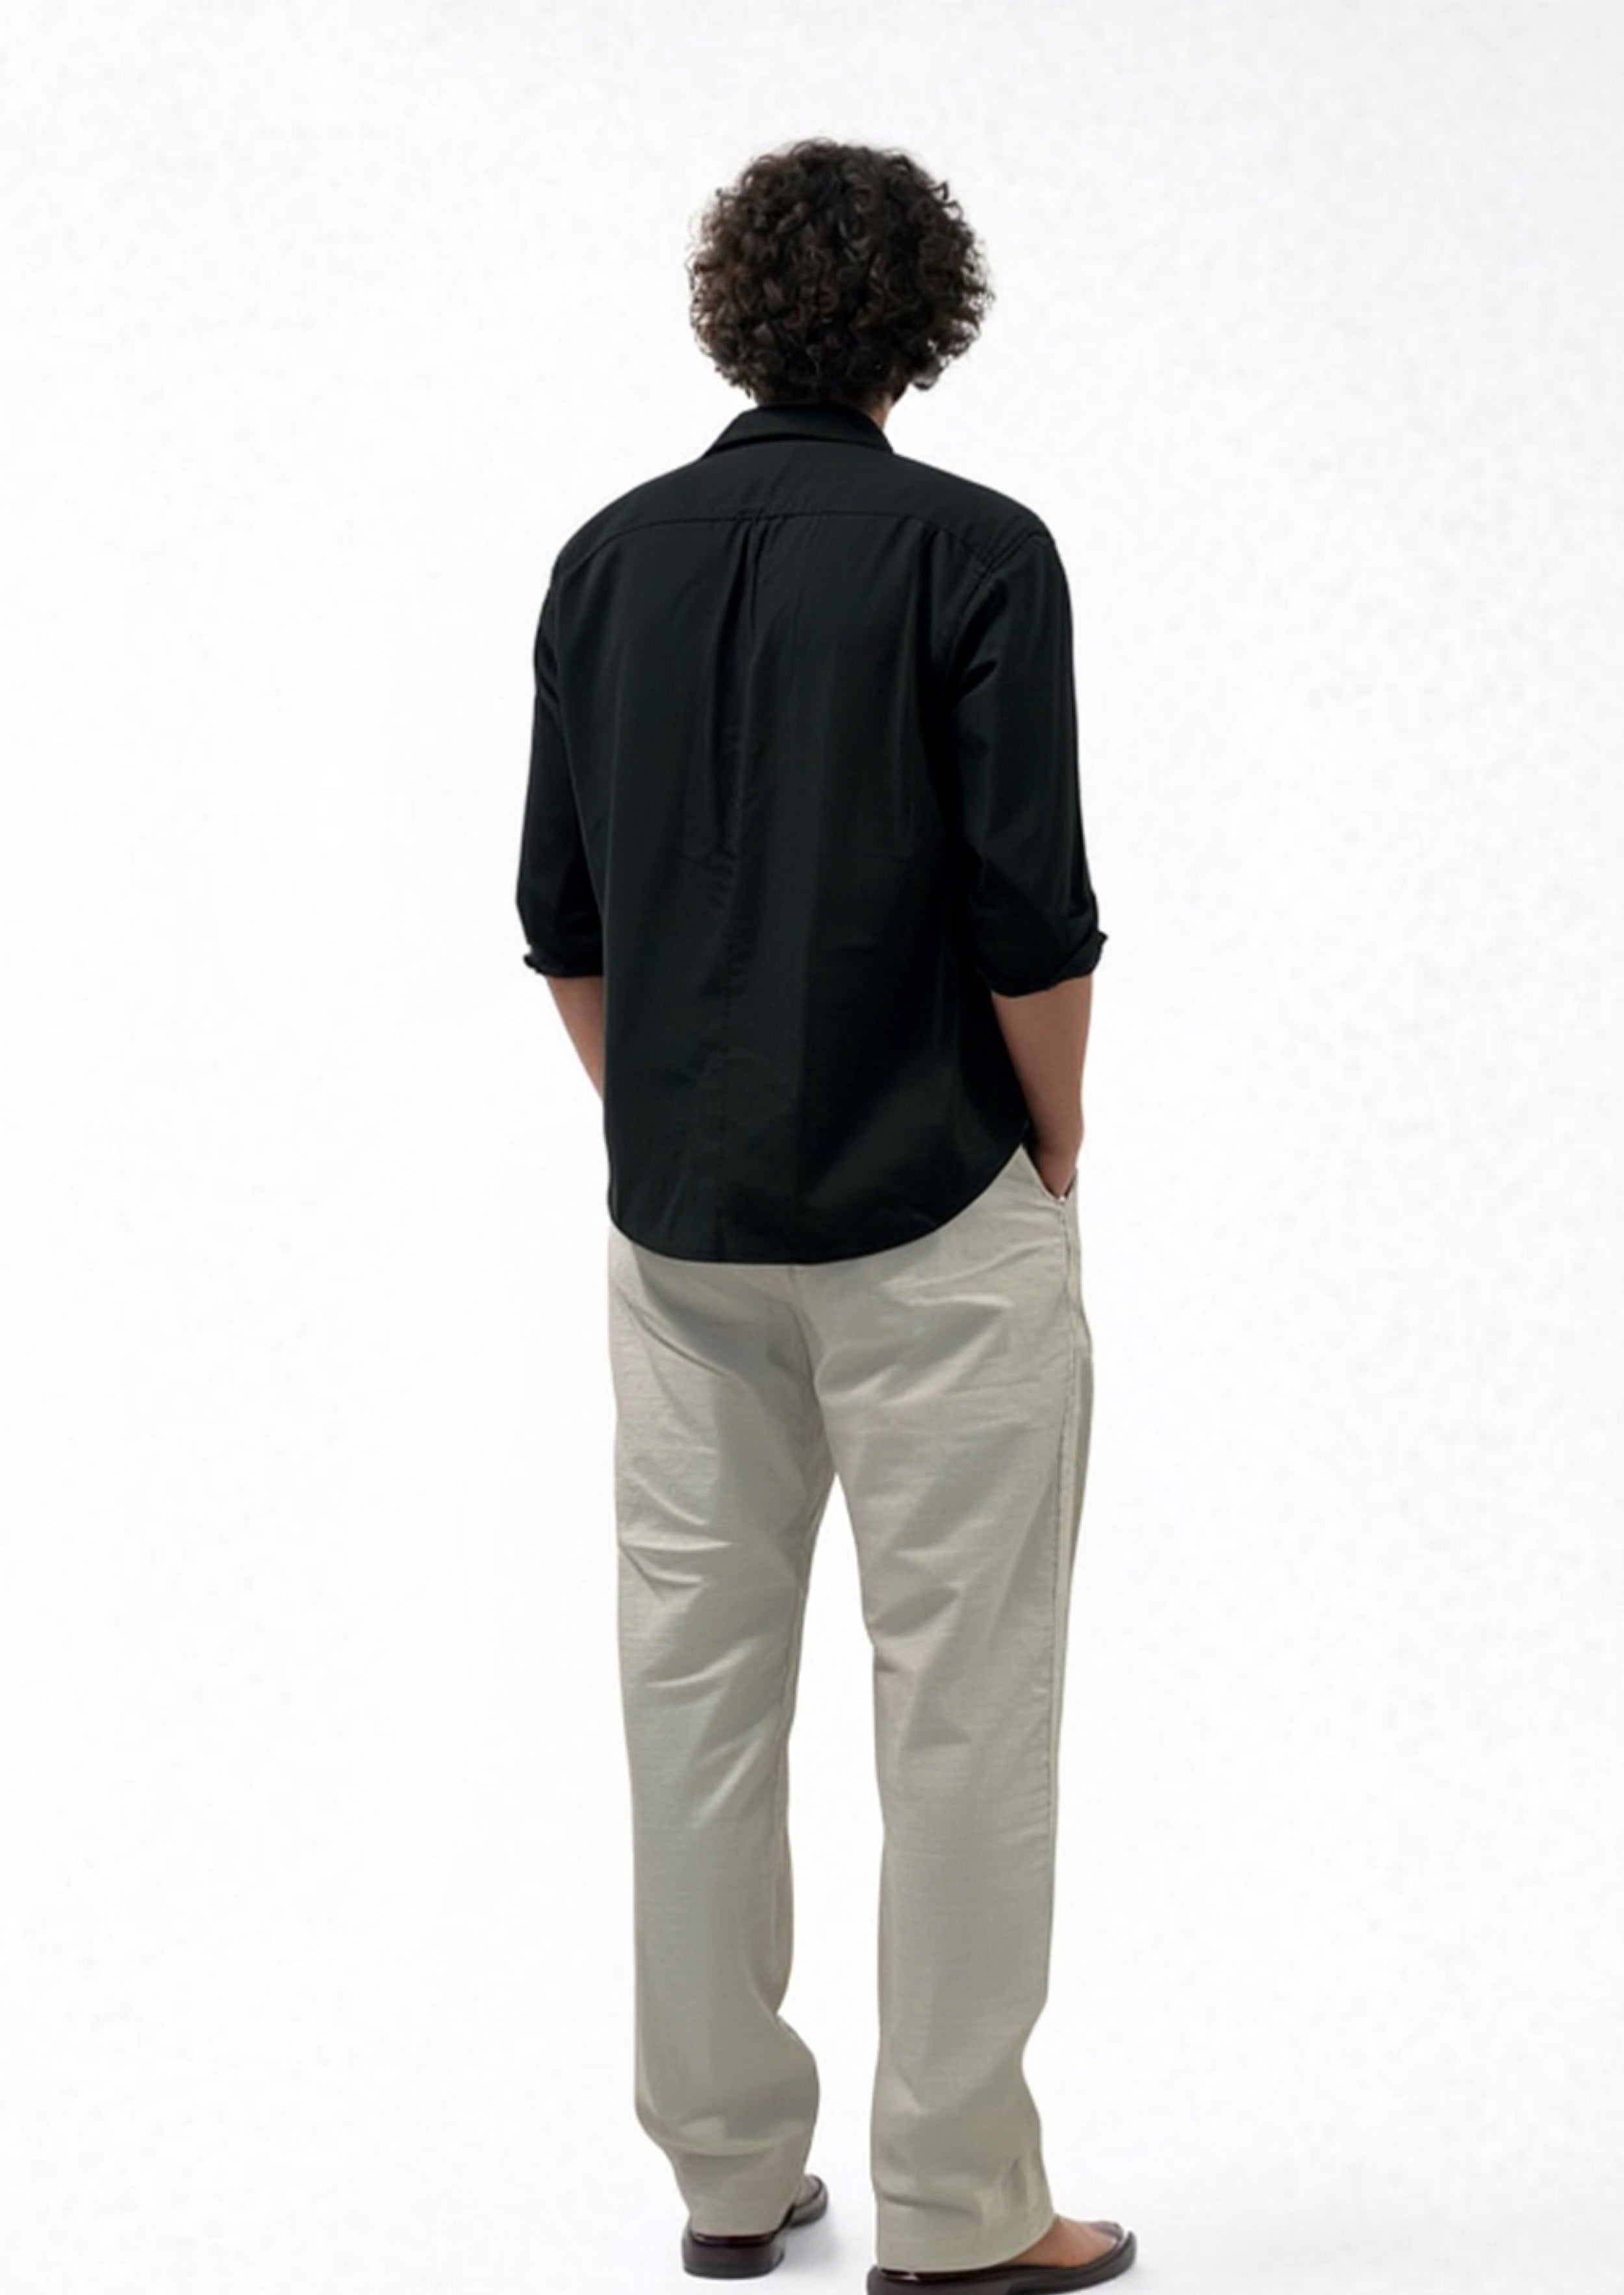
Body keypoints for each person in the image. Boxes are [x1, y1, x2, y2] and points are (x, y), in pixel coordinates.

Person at [515, 135, 1135, 2294]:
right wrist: (1055, 1139)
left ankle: (723, 2173)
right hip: (936, 1210)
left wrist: (672, 1121)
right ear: (924, 324)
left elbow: (562, 922)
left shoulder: (606, 561)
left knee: (690, 1695)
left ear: (732, 310)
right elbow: (1030, 917)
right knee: (962, 1702)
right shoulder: (979, 554)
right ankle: (958, 2205)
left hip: (682, 1231)